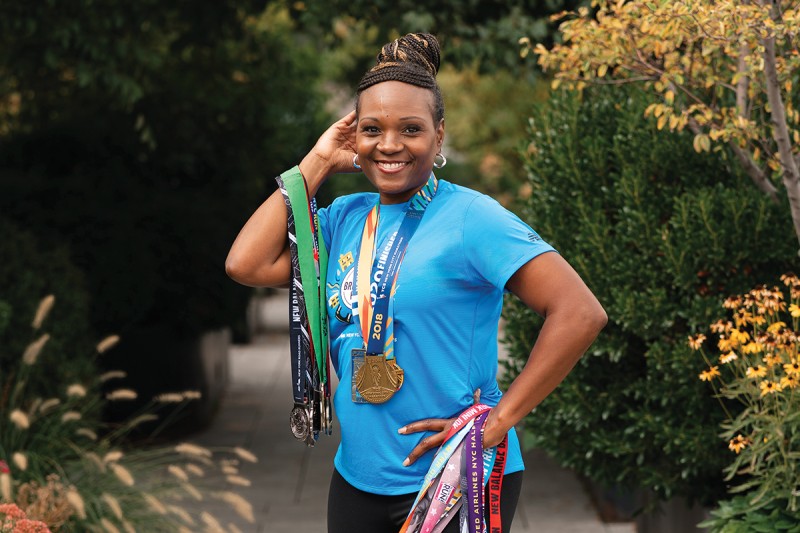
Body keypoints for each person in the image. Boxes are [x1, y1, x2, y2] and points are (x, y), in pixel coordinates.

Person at [226, 33, 607, 533]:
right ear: (352, 136)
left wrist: (498, 422)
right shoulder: (343, 217)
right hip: (358, 477)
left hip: (458, 473)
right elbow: (245, 264)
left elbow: (580, 312)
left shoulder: (473, 217)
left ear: (439, 135)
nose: (389, 145)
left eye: (410, 129)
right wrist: (316, 163)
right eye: (371, 129)